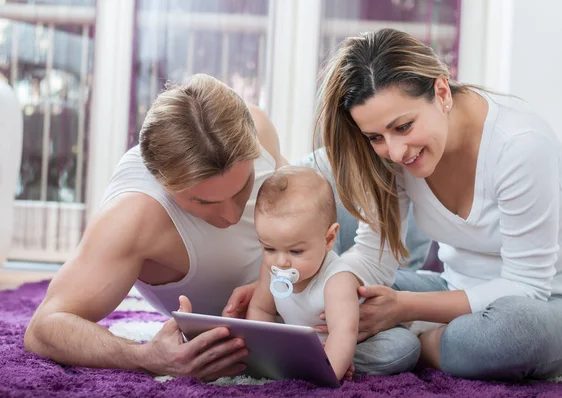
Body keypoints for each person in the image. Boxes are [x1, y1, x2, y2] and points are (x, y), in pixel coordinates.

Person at [23, 73, 429, 380]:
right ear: (163, 182)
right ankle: (437, 293)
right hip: (292, 294)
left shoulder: (255, 125)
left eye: (244, 188)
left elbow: (296, 206)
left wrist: (287, 274)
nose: (233, 216)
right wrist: (146, 357)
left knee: (392, 163)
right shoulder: (132, 218)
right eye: (203, 202)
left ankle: (446, 275)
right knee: (397, 345)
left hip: (309, 235)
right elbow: (44, 327)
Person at [315, 28, 562, 380]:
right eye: (376, 137)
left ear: (441, 91)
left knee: (507, 337)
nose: (395, 151)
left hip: (557, 306)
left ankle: (413, 342)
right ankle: (412, 340)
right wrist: (330, 286)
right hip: (450, 290)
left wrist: (403, 307)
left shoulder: (521, 145)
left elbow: (527, 289)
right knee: (336, 299)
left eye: (403, 127)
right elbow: (373, 256)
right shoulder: (392, 155)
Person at [246, 166, 417, 380]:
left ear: (328, 239)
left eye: (296, 251)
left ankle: (333, 364)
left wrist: (327, 373)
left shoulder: (337, 279)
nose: (280, 262)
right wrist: (261, 354)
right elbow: (261, 310)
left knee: (401, 347)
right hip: (304, 339)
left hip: (352, 341)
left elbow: (343, 332)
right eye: (269, 248)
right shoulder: (271, 268)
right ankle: (300, 360)